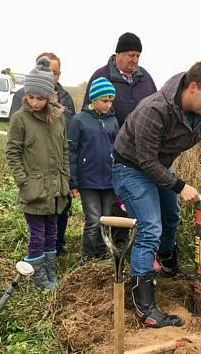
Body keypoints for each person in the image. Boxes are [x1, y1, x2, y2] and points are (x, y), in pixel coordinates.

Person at [112, 60, 201, 328]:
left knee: (171, 218)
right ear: (193, 87)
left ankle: (165, 268)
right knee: (151, 227)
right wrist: (180, 186)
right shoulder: (155, 110)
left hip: (157, 167)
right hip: (130, 167)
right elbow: (146, 161)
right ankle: (145, 307)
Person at [5, 57, 69, 291]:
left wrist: (66, 177)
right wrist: (23, 180)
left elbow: (64, 149)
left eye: (40, 98)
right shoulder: (19, 119)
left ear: (50, 96)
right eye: (30, 96)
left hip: (55, 188)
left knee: (52, 232)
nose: (34, 102)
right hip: (33, 188)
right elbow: (12, 152)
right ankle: (38, 276)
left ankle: (50, 269)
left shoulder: (58, 119)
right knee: (37, 235)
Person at [68, 77, 119, 261]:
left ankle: (102, 255)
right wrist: (72, 181)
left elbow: (118, 150)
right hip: (88, 181)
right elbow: (71, 152)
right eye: (105, 101)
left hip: (109, 181)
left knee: (105, 221)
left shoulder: (113, 122)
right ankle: (87, 258)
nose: (109, 104)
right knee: (93, 221)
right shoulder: (79, 121)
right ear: (93, 100)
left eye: (111, 100)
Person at [83, 32, 157, 127]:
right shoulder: (101, 76)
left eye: (138, 56)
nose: (135, 60)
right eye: (131, 55)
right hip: (110, 139)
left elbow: (156, 108)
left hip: (142, 138)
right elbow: (88, 113)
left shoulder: (146, 78)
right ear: (118, 54)